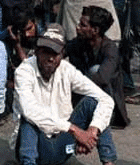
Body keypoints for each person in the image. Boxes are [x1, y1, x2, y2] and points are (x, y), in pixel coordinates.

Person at [14, 24, 117, 165]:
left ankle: (108, 162)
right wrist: (76, 131)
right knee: (29, 119)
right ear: (37, 52)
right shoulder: (24, 71)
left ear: (62, 55)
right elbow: (29, 110)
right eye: (45, 52)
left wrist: (92, 131)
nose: (50, 59)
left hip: (62, 143)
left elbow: (106, 100)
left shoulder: (67, 70)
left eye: (55, 54)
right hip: (36, 147)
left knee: (93, 103)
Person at [66, 7, 130, 128]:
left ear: (95, 30)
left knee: (94, 70)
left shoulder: (110, 49)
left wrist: (72, 82)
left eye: (83, 25)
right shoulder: (79, 43)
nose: (77, 27)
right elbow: (60, 51)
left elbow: (102, 78)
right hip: (84, 95)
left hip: (107, 102)